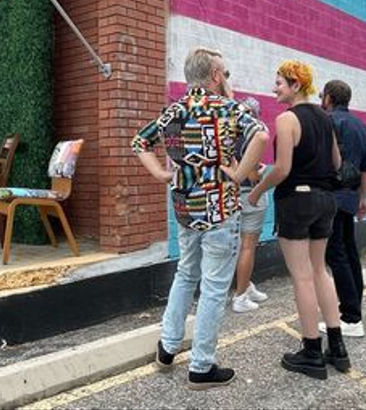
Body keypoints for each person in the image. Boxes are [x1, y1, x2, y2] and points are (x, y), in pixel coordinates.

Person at [132, 47, 268, 390]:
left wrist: (162, 176)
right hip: (219, 211)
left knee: (185, 274)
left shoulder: (173, 111)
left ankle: (167, 348)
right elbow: (262, 135)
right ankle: (201, 366)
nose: (226, 78)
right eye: (224, 72)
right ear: (215, 76)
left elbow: (139, 143)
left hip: (184, 210)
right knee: (213, 288)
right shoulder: (230, 109)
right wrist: (238, 177)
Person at [230, 60, 350, 380]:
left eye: (279, 83)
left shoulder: (286, 119)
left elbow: (282, 169)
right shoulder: (326, 119)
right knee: (319, 271)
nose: (274, 88)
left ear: (296, 85)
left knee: (302, 277)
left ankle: (311, 351)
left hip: (296, 202)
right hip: (326, 201)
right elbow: (337, 162)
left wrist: (255, 192)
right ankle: (336, 347)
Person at [320, 80, 366, 338]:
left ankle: (350, 317)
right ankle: (355, 312)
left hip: (332, 196)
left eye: (322, 96)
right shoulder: (362, 127)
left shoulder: (328, 121)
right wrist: (363, 199)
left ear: (329, 98)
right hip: (351, 197)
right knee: (350, 253)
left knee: (336, 255)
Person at [230, 97, 270, 313]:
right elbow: (253, 174)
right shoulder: (253, 135)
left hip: (232, 195)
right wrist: (262, 171)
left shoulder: (227, 133)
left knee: (238, 247)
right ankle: (240, 297)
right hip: (250, 194)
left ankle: (246, 285)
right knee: (248, 247)